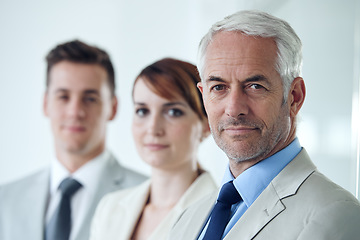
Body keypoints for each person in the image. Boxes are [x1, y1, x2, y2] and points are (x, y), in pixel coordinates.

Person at [168, 10, 360, 240]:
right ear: (204, 97)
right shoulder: (187, 218)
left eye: (255, 86)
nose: (234, 108)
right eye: (219, 87)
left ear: (294, 97)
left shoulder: (336, 214)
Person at [0, 40, 147, 240]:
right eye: (63, 97)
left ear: (113, 107)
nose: (75, 112)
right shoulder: (6, 200)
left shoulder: (147, 196)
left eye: (90, 98)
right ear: (45, 103)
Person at [90, 58, 218, 240]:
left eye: (173, 112)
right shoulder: (110, 208)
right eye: (142, 111)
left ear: (206, 125)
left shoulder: (219, 214)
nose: (153, 128)